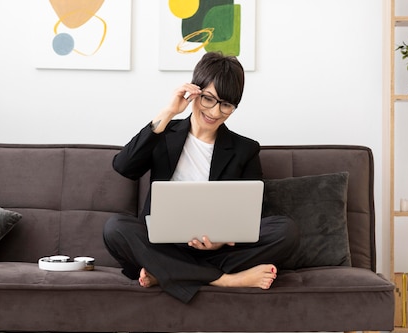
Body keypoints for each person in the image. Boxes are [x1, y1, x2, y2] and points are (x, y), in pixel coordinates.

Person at [103, 52, 298, 303]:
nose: (215, 112)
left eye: (226, 105)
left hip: (215, 252)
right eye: (208, 99)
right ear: (194, 91)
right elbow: (123, 166)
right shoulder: (165, 132)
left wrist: (220, 241)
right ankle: (222, 280)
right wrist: (169, 112)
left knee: (286, 231)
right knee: (115, 228)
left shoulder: (245, 149)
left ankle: (169, 273)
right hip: (162, 246)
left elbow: (251, 214)